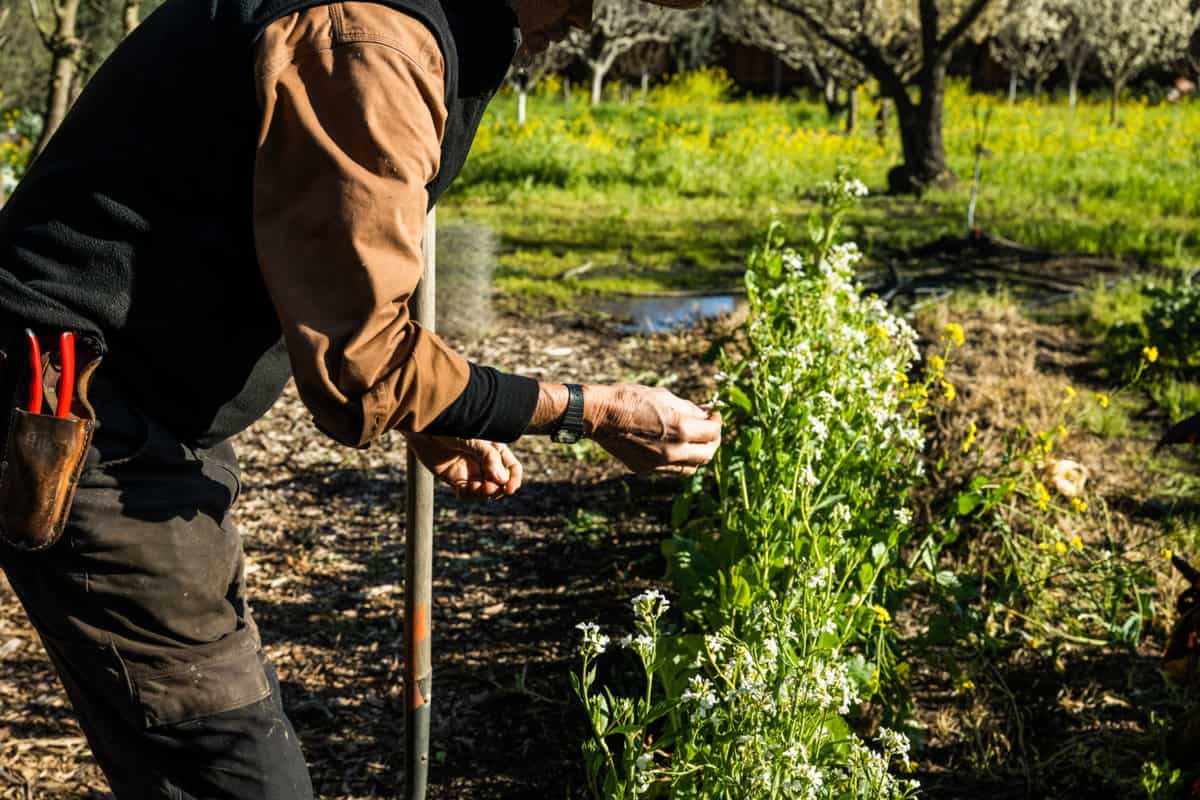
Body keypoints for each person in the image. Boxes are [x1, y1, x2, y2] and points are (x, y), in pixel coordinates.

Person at [0, 0, 718, 797]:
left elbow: (321, 253)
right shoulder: (369, 40)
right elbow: (362, 365)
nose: (591, 15)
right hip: (74, 411)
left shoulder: (419, 26)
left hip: (142, 404)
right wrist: (594, 409)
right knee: (233, 768)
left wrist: (433, 409)